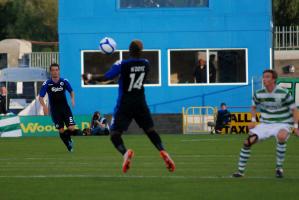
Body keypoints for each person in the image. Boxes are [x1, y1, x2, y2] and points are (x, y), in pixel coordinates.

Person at [82, 40, 175, 173]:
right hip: (140, 102)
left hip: (125, 103)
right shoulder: (146, 64)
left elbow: (105, 77)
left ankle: (125, 153)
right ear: (141, 51)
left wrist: (90, 76)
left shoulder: (122, 64)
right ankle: (163, 151)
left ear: (129, 51)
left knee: (114, 134)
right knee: (150, 130)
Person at [232, 69, 299, 178]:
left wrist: (295, 127)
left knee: (281, 137)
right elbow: (253, 107)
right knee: (247, 142)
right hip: (265, 124)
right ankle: (240, 172)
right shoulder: (258, 94)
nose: (264, 79)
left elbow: (295, 110)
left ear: (274, 79)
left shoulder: (284, 93)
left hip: (283, 123)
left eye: (267, 77)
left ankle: (279, 168)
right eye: (264, 77)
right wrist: (253, 120)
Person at [39, 63, 79, 152]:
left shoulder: (64, 81)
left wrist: (72, 99)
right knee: (61, 130)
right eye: (53, 70)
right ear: (50, 72)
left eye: (56, 70)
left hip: (65, 108)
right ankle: (68, 146)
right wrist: (44, 106)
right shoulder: (47, 83)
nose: (55, 72)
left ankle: (68, 139)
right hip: (55, 110)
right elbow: (40, 97)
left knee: (71, 128)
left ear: (59, 71)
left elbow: (71, 91)